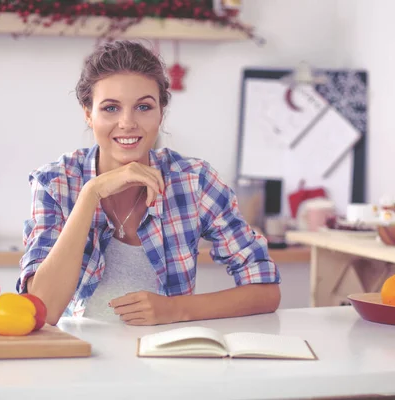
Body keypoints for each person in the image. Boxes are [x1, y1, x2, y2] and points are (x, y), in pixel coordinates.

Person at [16, 40, 281, 326]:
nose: (128, 122)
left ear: (161, 113)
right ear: (88, 114)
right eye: (110, 108)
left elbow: (266, 292)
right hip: (79, 359)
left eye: (143, 106)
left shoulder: (194, 181)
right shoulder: (56, 182)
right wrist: (91, 193)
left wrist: (176, 309)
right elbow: (42, 309)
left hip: (168, 361)